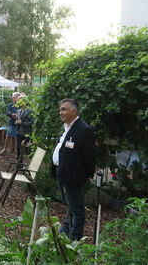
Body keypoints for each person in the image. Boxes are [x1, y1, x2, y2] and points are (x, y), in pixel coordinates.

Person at [52, 99, 96, 241]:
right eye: (60, 110)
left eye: (64, 109)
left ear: (74, 111)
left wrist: (86, 174)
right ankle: (66, 229)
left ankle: (75, 238)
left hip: (73, 176)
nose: (60, 112)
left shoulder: (84, 130)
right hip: (62, 173)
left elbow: (90, 157)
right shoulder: (67, 128)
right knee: (70, 205)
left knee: (77, 209)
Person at [15, 95, 34, 159]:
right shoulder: (18, 111)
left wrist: (22, 122)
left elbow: (32, 123)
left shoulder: (29, 111)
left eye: (20, 101)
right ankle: (19, 165)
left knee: (27, 150)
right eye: (18, 101)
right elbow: (17, 120)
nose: (18, 103)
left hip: (26, 133)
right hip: (19, 132)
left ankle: (31, 165)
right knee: (18, 150)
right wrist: (17, 122)